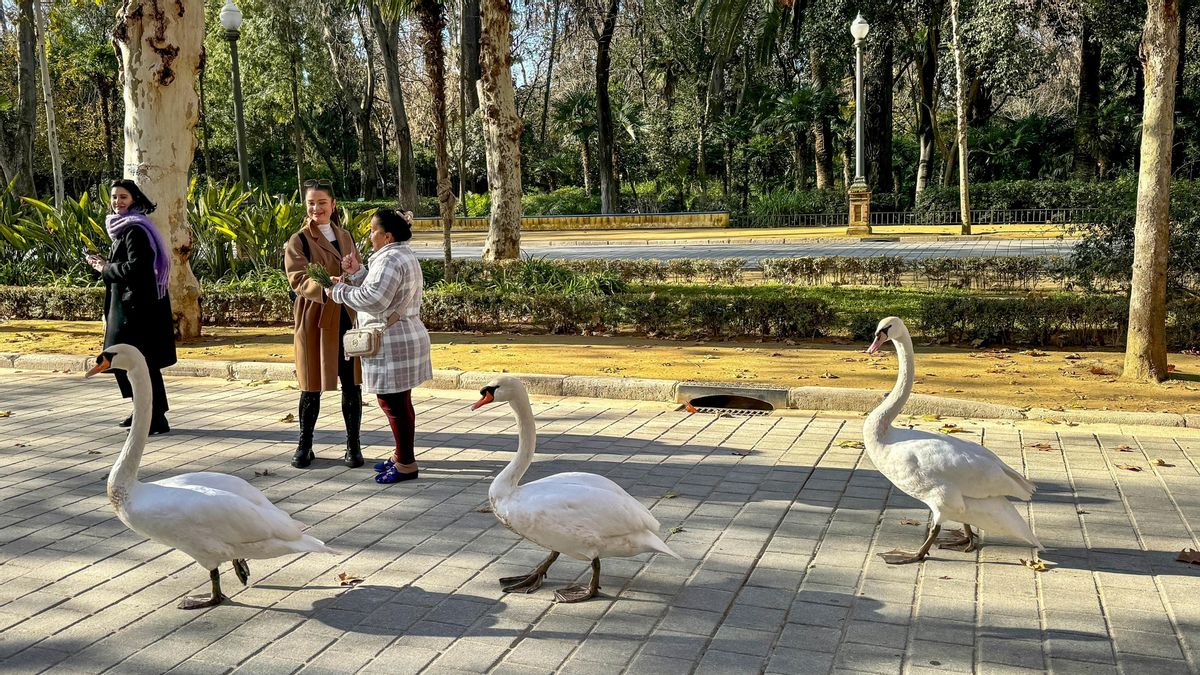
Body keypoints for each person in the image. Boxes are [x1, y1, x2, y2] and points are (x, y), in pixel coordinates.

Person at [328, 208, 432, 484]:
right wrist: (358, 273)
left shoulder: (389, 259)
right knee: (399, 401)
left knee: (393, 402)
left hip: (392, 341)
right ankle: (402, 455)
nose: (369, 235)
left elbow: (375, 299)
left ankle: (407, 463)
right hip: (400, 336)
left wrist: (338, 291)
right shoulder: (397, 255)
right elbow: (382, 289)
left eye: (373, 231)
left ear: (386, 236)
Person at [284, 179, 364, 469]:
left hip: (345, 315)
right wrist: (324, 287)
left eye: (321, 202)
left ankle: (353, 447)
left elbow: (358, 270)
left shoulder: (345, 235)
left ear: (333, 205)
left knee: (351, 382)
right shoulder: (300, 239)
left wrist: (353, 274)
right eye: (310, 203)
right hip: (314, 317)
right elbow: (296, 278)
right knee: (310, 384)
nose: (316, 208)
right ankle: (304, 446)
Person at [87, 179, 177, 435]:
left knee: (136, 363)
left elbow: (138, 269)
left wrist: (105, 268)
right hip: (129, 307)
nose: (118, 202)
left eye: (123, 197)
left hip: (137, 310)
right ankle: (145, 411)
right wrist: (103, 265)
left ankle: (154, 416)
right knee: (129, 363)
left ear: (134, 199)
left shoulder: (135, 230)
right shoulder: (125, 228)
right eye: (114, 197)